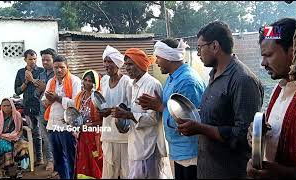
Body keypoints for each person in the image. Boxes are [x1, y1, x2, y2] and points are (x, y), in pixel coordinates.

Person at [176, 21, 264, 178]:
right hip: (207, 169)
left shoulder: (242, 80)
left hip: (229, 172)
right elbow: (216, 115)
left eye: (199, 48)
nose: (198, 53)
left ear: (215, 46)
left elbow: (244, 135)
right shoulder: (214, 74)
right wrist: (189, 116)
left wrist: (200, 128)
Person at [138, 38, 205, 180]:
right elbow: (169, 107)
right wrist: (157, 105)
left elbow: (186, 122)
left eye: (159, 58)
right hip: (179, 150)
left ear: (169, 58)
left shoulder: (187, 81)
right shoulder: (172, 78)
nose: (156, 62)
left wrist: (159, 106)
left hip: (189, 152)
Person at [246, 18, 296, 179]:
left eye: (269, 55)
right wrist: (258, 133)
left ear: (294, 53)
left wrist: (282, 174)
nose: (262, 63)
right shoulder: (279, 90)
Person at [111, 48, 167, 179]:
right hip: (136, 144)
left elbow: (153, 119)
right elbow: (135, 112)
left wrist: (128, 115)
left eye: (131, 64)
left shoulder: (152, 84)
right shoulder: (134, 84)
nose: (127, 68)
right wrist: (123, 116)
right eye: (126, 65)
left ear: (141, 64)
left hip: (149, 146)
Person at [41, 55, 81, 179]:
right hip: (53, 125)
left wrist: (57, 98)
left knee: (71, 157)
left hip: (67, 125)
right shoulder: (50, 81)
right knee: (58, 159)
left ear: (67, 67)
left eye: (61, 67)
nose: (58, 70)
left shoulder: (75, 80)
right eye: (56, 67)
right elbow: (44, 101)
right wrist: (48, 100)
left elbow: (76, 103)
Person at [100, 45, 132, 179]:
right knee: (109, 169)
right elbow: (102, 102)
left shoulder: (127, 83)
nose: (107, 65)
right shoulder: (104, 80)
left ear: (118, 63)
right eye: (105, 61)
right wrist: (102, 111)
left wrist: (113, 111)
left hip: (123, 135)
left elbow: (131, 109)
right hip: (108, 132)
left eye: (110, 62)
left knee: (126, 171)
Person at [14, 49, 44, 166]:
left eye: (35, 59)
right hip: (28, 106)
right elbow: (17, 91)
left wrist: (32, 80)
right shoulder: (20, 72)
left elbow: (43, 87)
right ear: (25, 59)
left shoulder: (41, 71)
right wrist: (26, 82)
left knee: (40, 133)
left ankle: (41, 158)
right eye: (30, 59)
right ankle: (35, 157)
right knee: (33, 132)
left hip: (40, 106)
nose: (33, 61)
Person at [73, 70, 103, 179]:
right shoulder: (80, 96)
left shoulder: (99, 97)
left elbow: (105, 120)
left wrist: (90, 125)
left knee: (95, 162)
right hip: (82, 135)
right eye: (85, 80)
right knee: (83, 161)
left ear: (96, 83)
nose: (87, 83)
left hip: (95, 137)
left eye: (90, 81)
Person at [0, 98, 29, 177]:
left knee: (23, 145)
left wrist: (18, 136)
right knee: (7, 147)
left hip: (15, 137)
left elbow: (20, 130)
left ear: (12, 106)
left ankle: (19, 168)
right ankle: (7, 169)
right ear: (1, 106)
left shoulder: (17, 115)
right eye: (4, 106)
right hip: (2, 138)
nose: (6, 108)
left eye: (8, 106)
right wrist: (6, 138)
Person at [34, 48, 56, 172]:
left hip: (56, 112)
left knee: (57, 138)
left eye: (48, 60)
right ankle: (50, 161)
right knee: (46, 139)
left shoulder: (58, 74)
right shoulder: (41, 75)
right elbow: (36, 94)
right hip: (42, 112)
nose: (45, 62)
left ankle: (57, 162)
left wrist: (45, 88)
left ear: (53, 59)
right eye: (43, 60)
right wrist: (40, 89)